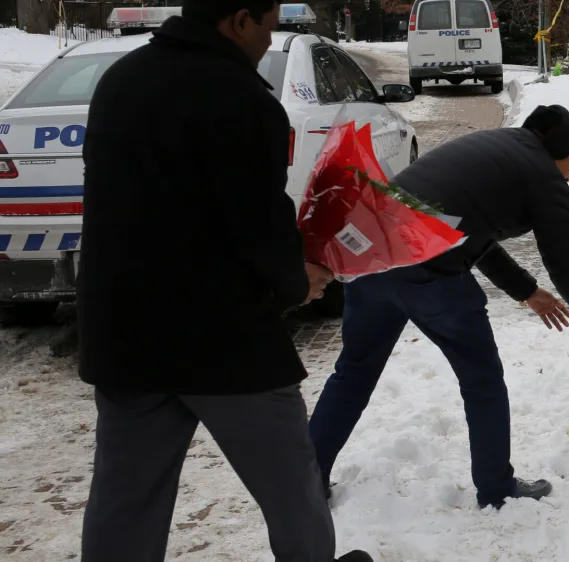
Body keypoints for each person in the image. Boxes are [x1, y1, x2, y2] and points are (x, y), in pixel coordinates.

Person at [76, 2, 370, 560]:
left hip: (125, 333)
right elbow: (257, 223)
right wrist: (298, 281)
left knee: (126, 498)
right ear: (238, 21)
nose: (268, 40)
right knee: (292, 488)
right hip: (225, 340)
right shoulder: (241, 99)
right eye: (268, 26)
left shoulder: (120, 80)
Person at [308, 105, 569, 509]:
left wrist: (526, 291)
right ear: (557, 150)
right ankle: (495, 487)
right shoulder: (544, 177)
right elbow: (568, 271)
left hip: (371, 258)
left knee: (353, 372)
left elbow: (471, 231)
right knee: (482, 381)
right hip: (428, 271)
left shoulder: (499, 148)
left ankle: (304, 481)